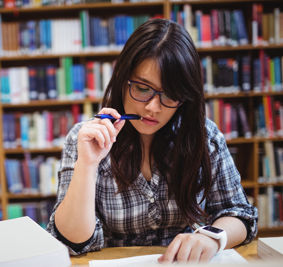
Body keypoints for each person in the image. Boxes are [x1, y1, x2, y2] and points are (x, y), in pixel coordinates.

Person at [46, 18, 258, 264]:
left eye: (170, 94)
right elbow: (73, 243)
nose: (153, 107)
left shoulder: (204, 136)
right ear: (122, 80)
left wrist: (212, 237)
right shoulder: (86, 138)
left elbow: (240, 214)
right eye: (143, 88)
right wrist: (87, 165)